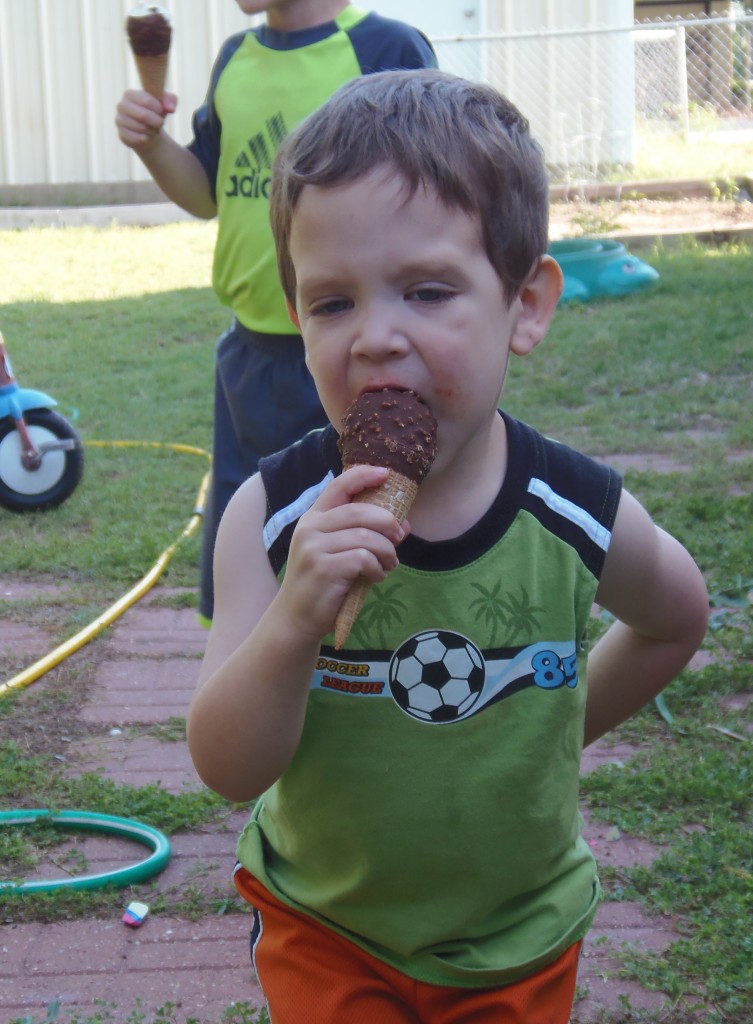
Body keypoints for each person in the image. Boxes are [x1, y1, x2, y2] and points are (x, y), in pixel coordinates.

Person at [186, 69, 709, 1024]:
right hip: (326, 926)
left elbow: (677, 619)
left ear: (526, 306)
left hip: (515, 935)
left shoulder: (573, 509)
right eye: (331, 303)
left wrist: (559, 726)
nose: (376, 338)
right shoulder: (268, 516)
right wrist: (295, 618)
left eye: (426, 292)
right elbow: (225, 766)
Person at [115, 1, 436, 623]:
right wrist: (153, 142)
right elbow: (206, 193)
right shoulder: (237, 57)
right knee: (249, 529)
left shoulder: (384, 46)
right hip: (249, 354)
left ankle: (362, 672)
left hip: (353, 354)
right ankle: (246, 673)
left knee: (359, 530)